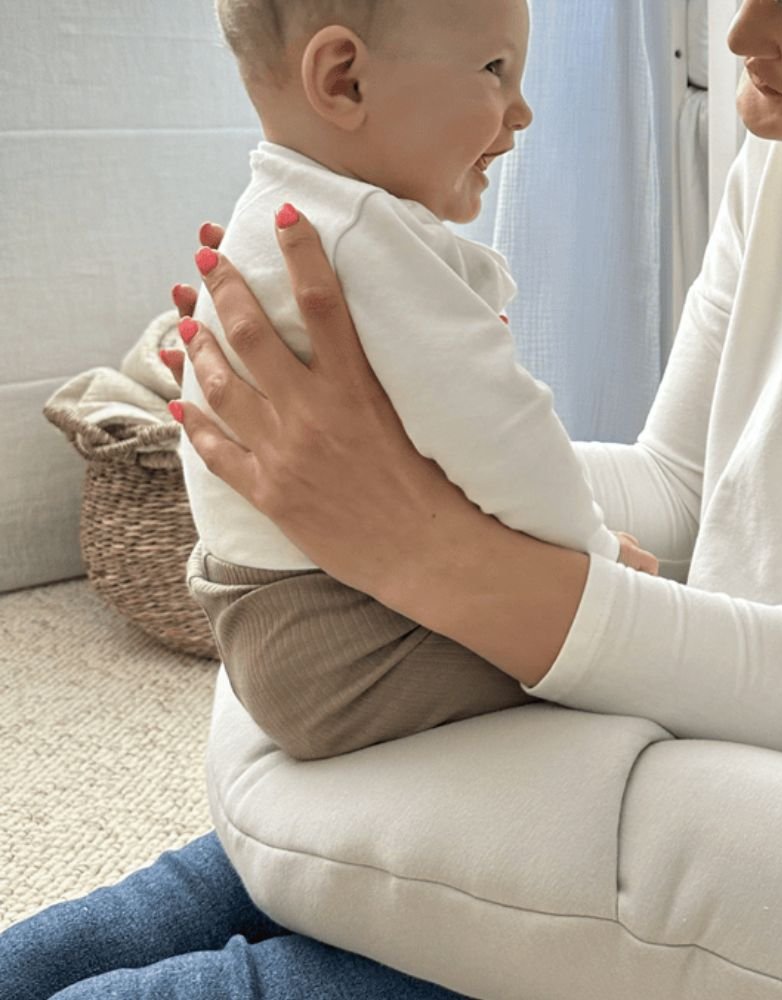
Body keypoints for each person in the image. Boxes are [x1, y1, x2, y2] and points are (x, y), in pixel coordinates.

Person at [0, 0, 782, 994]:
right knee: (305, 792)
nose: (742, 41)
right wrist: (344, 477)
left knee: (408, 865)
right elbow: (675, 488)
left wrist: (417, 541)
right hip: (691, 712)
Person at [176, 0, 663, 765]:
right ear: (345, 82)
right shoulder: (362, 234)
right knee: (641, 672)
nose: (523, 110)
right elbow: (505, 441)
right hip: (346, 636)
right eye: (495, 71)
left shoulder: (276, 214)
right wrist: (600, 564)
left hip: (272, 615)